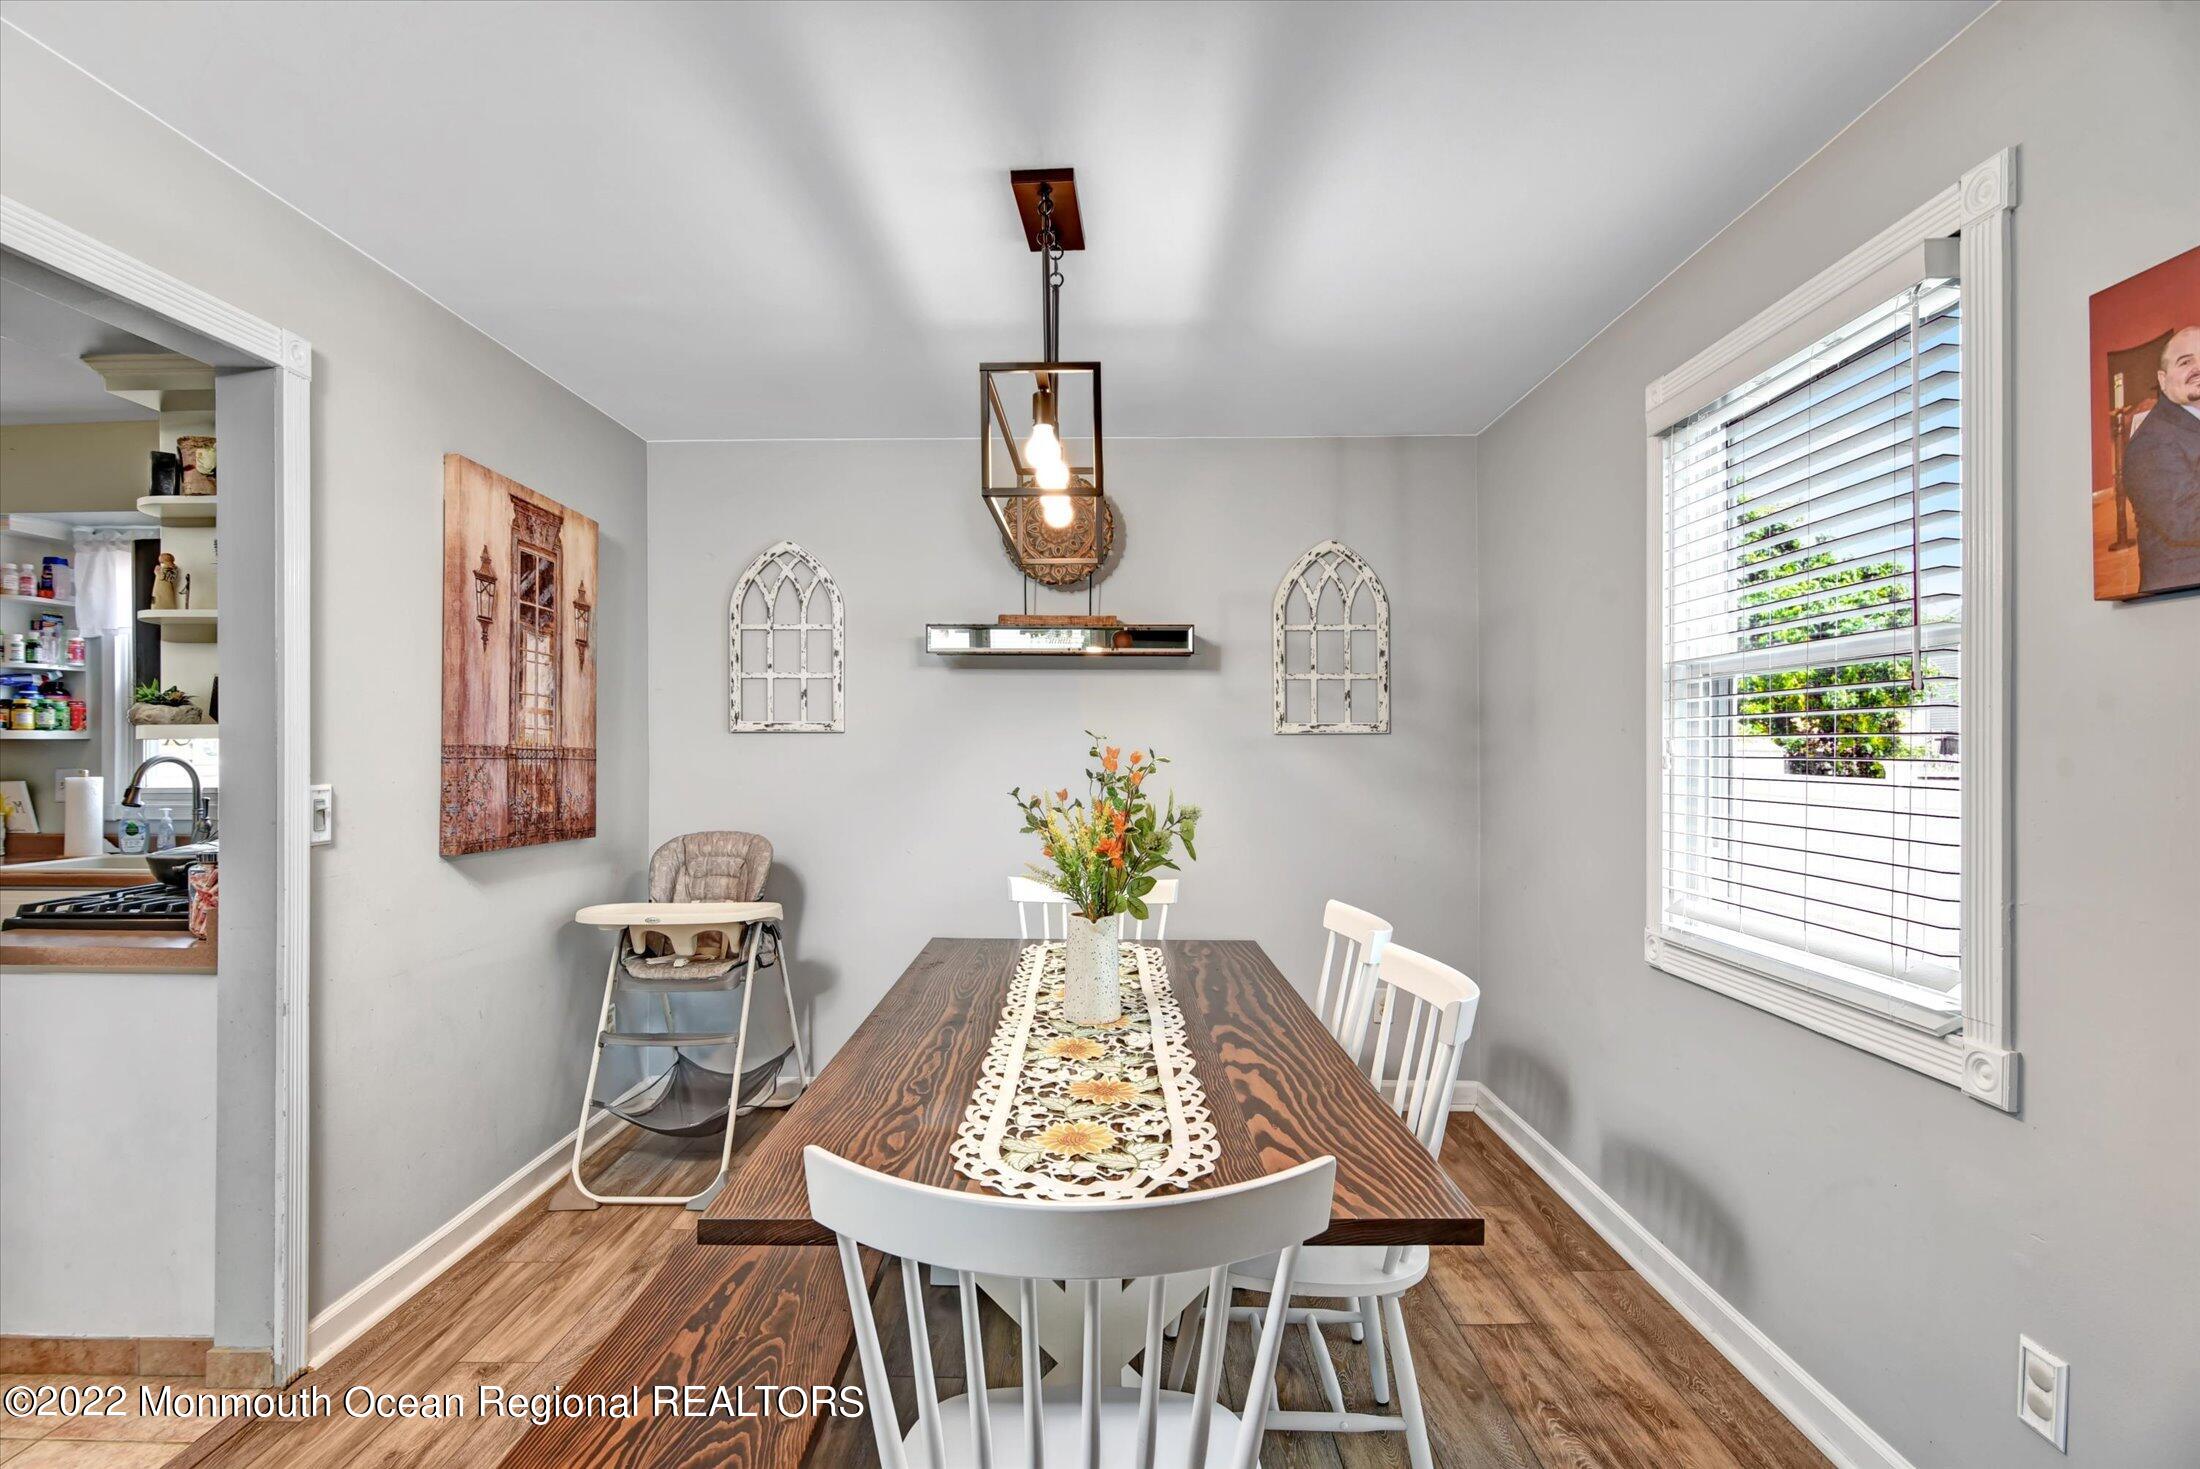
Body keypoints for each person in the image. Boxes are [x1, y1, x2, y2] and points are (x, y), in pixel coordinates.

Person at [2122, 324, 2200, 594]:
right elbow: (2188, 523)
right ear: (2163, 379)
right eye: (2185, 362)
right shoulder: (2151, 443)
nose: (2197, 367)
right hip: (2182, 591)